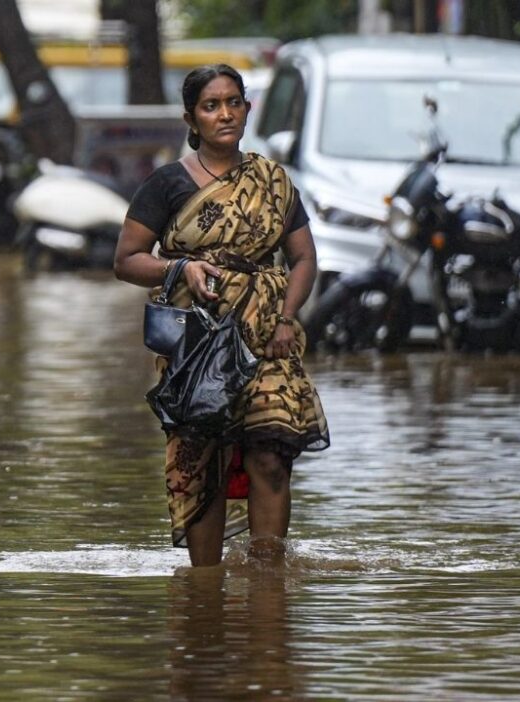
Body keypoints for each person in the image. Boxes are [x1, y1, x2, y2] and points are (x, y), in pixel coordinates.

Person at [114, 64, 330, 568]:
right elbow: (126, 261)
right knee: (202, 461)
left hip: (268, 338)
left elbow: (304, 259)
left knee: (271, 454)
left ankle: (267, 577)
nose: (225, 114)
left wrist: (286, 319)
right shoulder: (166, 184)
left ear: (248, 109)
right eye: (211, 106)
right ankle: (205, 586)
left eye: (234, 103)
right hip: (198, 343)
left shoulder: (273, 181)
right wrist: (180, 268)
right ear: (192, 119)